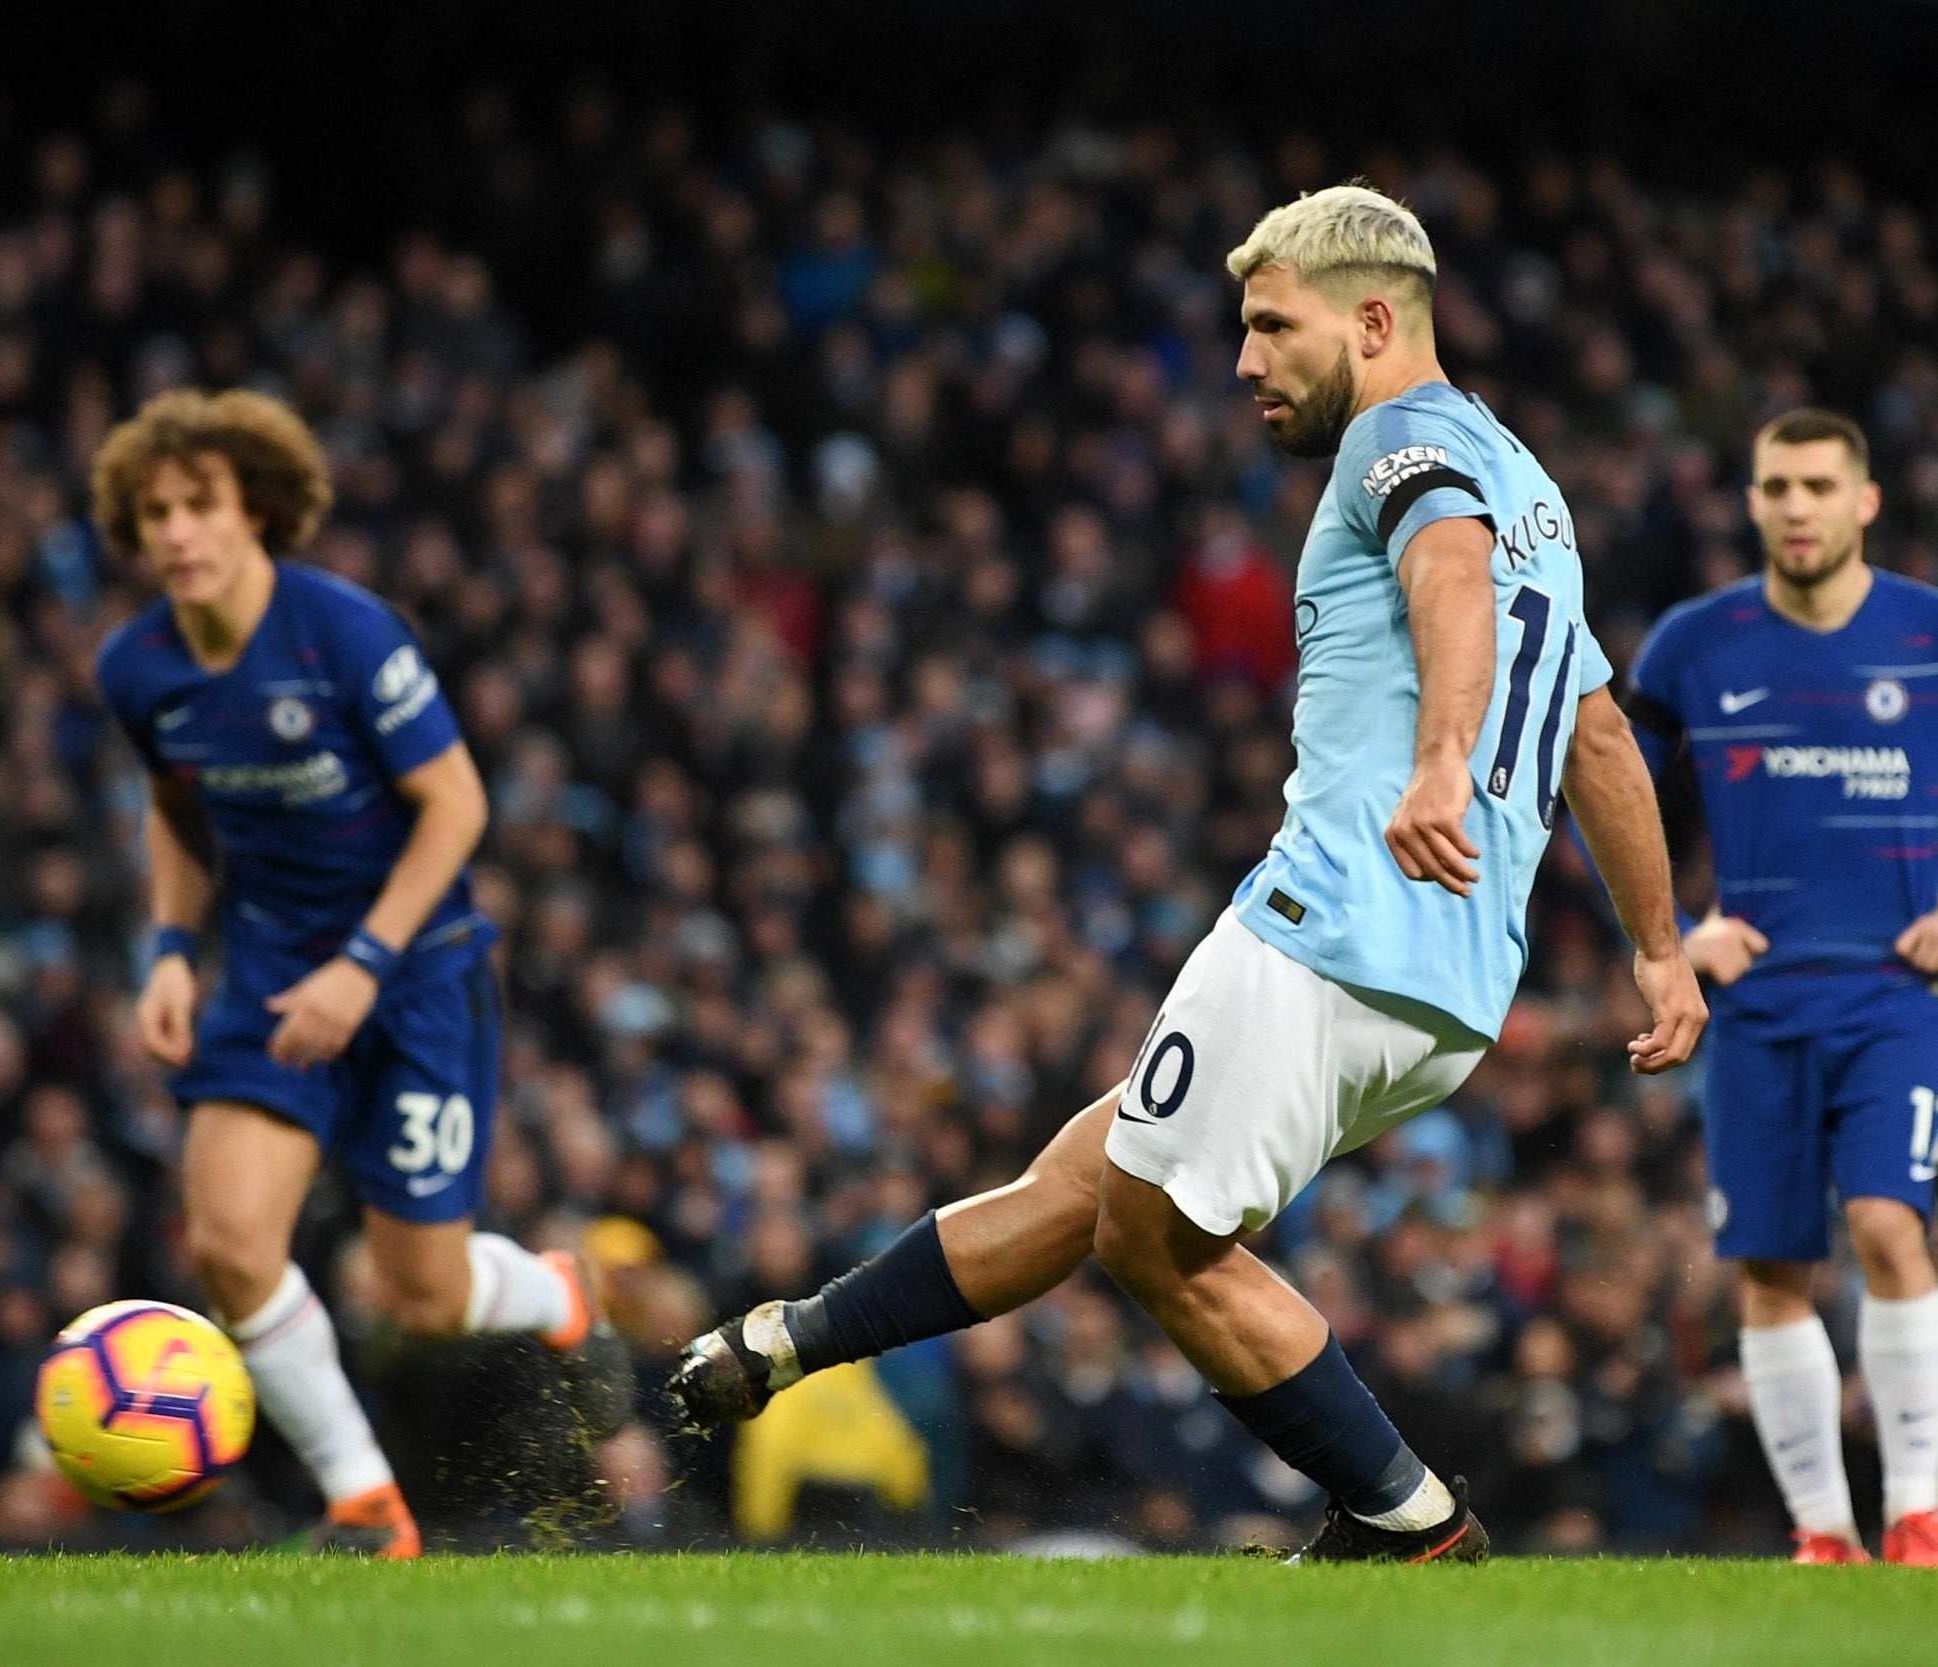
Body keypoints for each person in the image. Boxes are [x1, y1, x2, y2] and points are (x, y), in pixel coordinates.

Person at [672, 184, 1706, 1563]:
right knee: (1087, 1180)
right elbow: (1590, 725)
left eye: (1273, 326)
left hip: (1329, 923)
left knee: (1148, 1236)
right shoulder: (1531, 487)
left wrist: (1439, 759)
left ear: (1375, 319)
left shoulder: (1397, 446)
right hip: (1446, 983)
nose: (1243, 361)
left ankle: (1403, 1516)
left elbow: (1449, 576)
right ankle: (791, 1340)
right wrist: (1655, 941)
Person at [93, 389, 605, 1558]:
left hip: (418, 974)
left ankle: (556, 1290)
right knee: (228, 1243)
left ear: (256, 512)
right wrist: (171, 949)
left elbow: (456, 803)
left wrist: (364, 966)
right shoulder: (137, 667)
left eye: (200, 505)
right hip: (272, 975)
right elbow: (175, 809)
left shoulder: (345, 633)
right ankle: (364, 1503)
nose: (175, 531)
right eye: (155, 509)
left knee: (418, 1294)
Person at [1624, 410, 1938, 1565]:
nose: (1794, 505)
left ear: (1862, 499)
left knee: (1885, 1224)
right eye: (1774, 485)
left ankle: (1916, 1510)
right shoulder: (1692, 646)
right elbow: (1606, 789)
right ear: (1749, 502)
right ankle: (1821, 1534)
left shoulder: (1924, 634)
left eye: (1815, 484)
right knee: (1766, 1261)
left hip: (1894, 999)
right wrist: (1666, 933)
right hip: (1752, 1001)